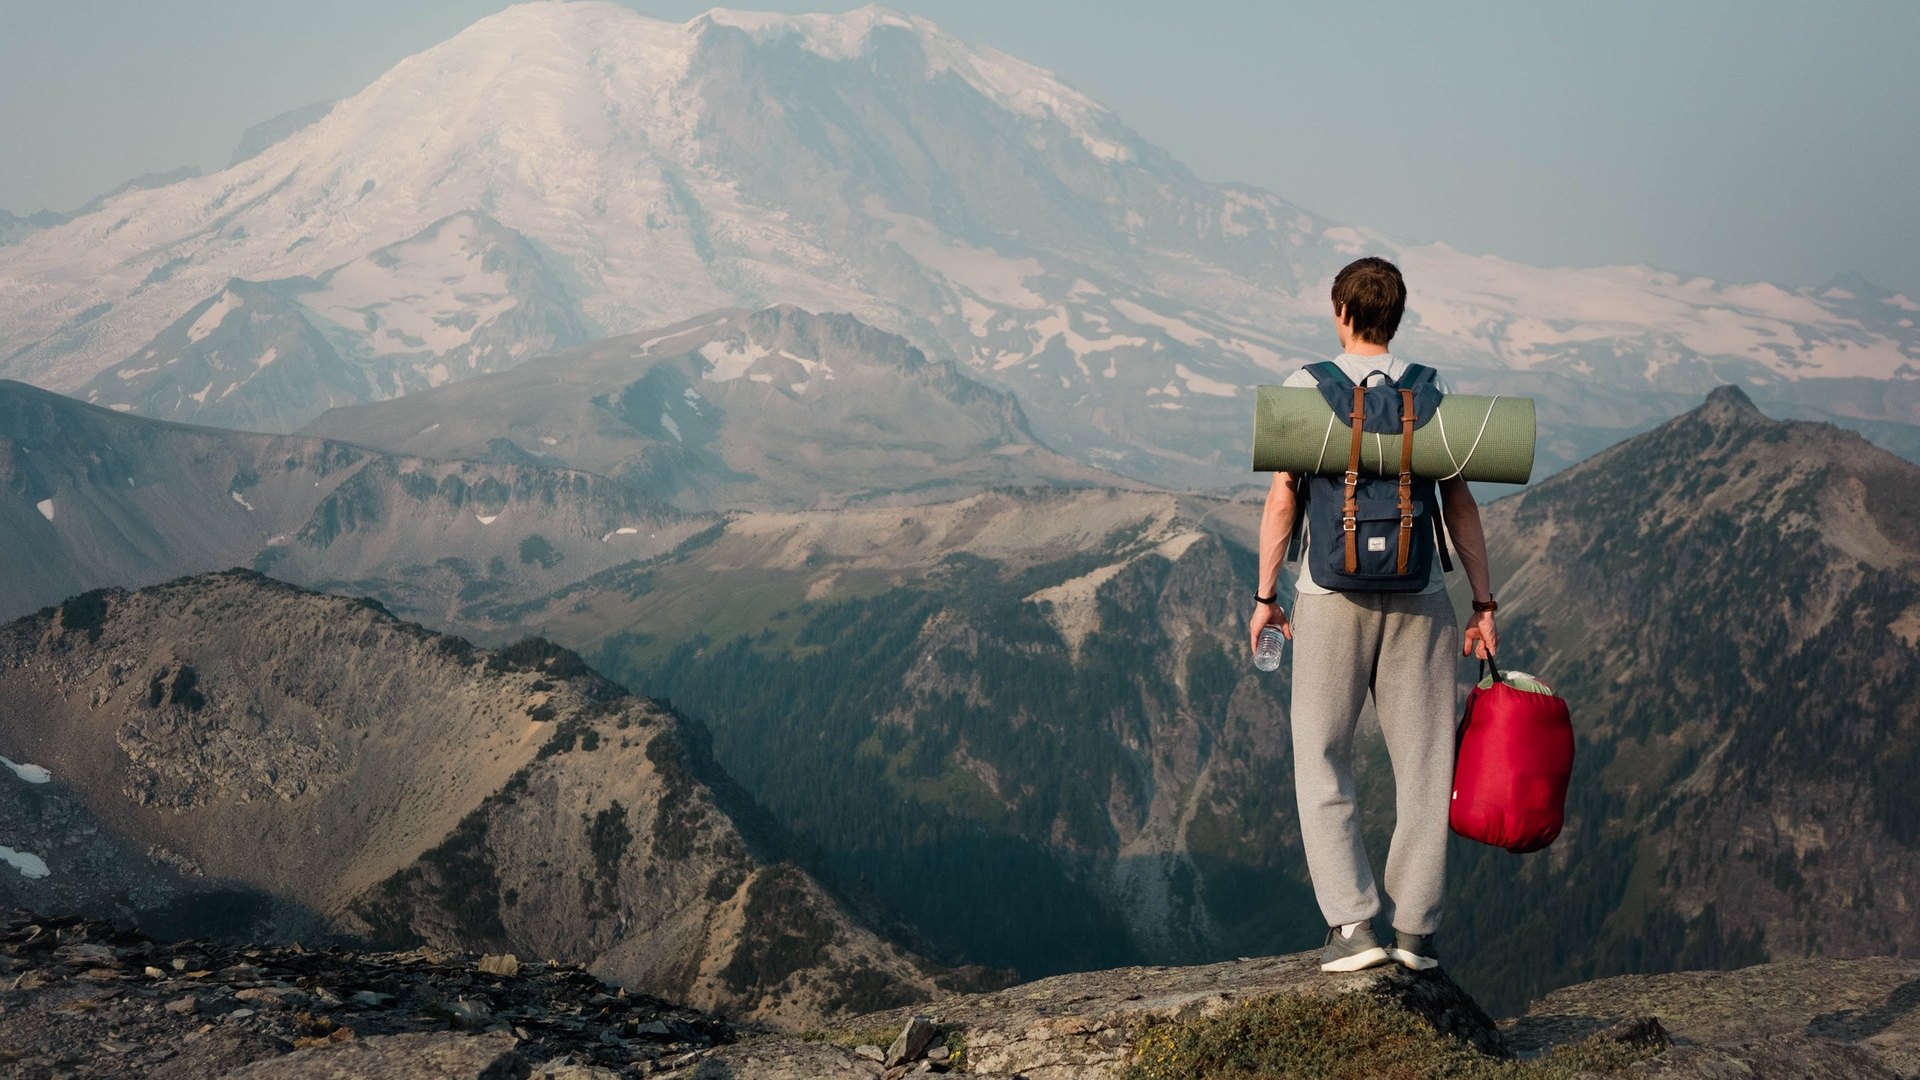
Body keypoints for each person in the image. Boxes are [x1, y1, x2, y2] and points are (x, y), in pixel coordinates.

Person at [1248, 256, 1498, 973]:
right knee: (1424, 762)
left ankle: (1354, 928)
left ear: (1341, 312)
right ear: (1397, 316)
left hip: (1330, 598)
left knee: (1323, 755)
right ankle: (1415, 933)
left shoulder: (1305, 388)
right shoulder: (1430, 389)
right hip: (1421, 598)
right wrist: (1483, 604)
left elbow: (1283, 500)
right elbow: (1459, 506)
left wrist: (1267, 597)